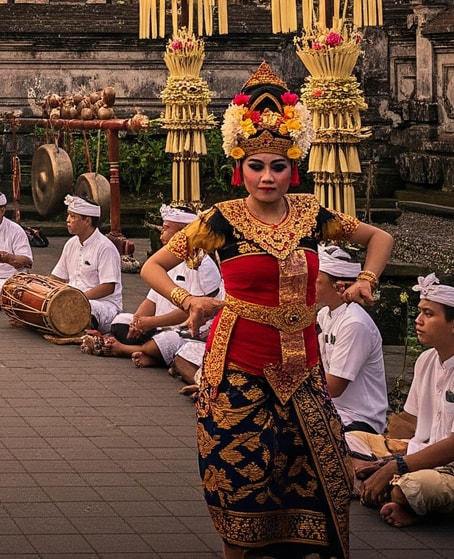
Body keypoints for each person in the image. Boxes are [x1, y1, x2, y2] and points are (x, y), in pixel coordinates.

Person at [139, 62, 395, 559]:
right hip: (237, 365)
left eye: (277, 167)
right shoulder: (221, 220)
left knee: (315, 478)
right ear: (241, 168)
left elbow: (379, 237)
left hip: (303, 369)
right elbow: (153, 265)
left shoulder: (311, 213)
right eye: (256, 166)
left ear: (292, 168)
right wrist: (187, 298)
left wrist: (366, 279)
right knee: (240, 480)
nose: (267, 177)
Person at [347, 274, 454, 528]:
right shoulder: (427, 360)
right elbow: (410, 422)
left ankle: (403, 499)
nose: (418, 321)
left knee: (408, 488)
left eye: (428, 314)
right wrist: (383, 457)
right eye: (419, 312)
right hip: (423, 454)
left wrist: (392, 467)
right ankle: (393, 493)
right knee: (345, 441)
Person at [98, 205, 219, 365]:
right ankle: (153, 355)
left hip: (185, 330)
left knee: (167, 341)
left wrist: (151, 323)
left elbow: (196, 311)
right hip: (156, 327)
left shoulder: (202, 263)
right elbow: (151, 300)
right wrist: (137, 322)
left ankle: (127, 350)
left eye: (166, 228)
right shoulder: (163, 261)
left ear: (183, 232)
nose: (162, 234)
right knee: (120, 322)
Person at [315, 246, 388, 435]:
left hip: (359, 419)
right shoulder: (324, 314)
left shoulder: (354, 323)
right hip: (332, 408)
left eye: (316, 281)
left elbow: (334, 387)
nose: (308, 286)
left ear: (339, 286)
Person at [51, 194, 123, 333]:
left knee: (82, 308)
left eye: (73, 217)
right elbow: (58, 277)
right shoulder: (70, 244)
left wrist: (78, 298)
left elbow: (108, 287)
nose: (67, 220)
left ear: (87, 221)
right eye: (69, 216)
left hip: (103, 305)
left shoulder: (105, 247)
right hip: (72, 299)